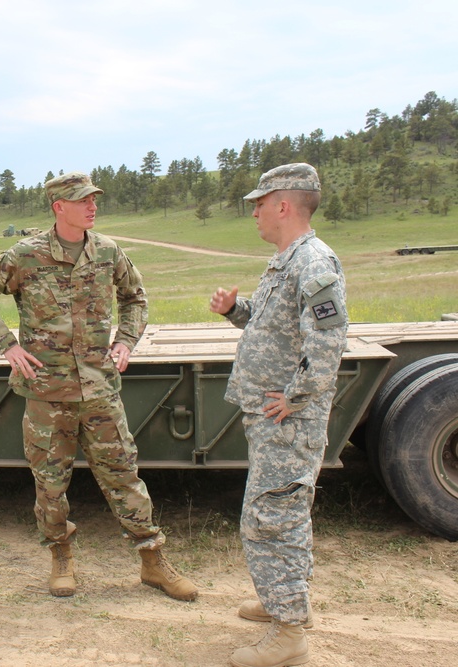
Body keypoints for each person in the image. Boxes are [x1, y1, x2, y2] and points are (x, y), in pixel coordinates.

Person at [0, 172, 197, 602]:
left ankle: (153, 562)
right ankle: (61, 558)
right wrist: (8, 346)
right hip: (47, 391)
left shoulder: (107, 251)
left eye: (94, 199)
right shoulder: (25, 255)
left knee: (123, 474)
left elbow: (135, 297)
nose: (92, 206)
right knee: (50, 483)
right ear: (59, 206)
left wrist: (126, 341)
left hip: (99, 388)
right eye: (82, 200)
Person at [209, 163, 347, 667]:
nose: (255, 212)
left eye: (260, 203)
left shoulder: (314, 263)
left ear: (283, 206)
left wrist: (297, 398)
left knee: (271, 519)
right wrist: (234, 309)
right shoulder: (287, 260)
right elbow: (281, 326)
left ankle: (289, 635)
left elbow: (327, 341)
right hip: (273, 419)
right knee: (282, 512)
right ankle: (283, 604)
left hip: (288, 422)